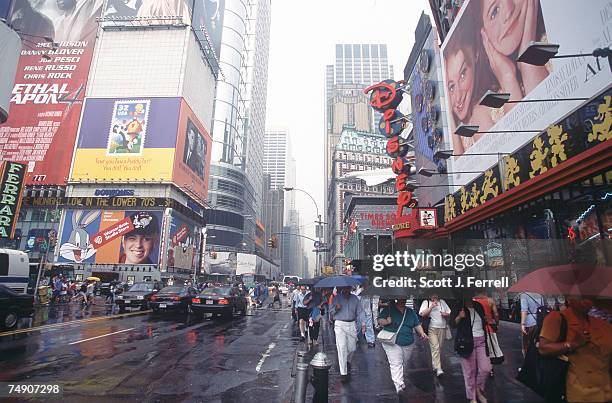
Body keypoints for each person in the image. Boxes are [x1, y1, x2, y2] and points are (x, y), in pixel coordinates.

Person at [539, 298, 612, 402]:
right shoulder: (556, 318)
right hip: (577, 393)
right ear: (569, 298)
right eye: (581, 296)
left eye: (589, 295)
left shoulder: (603, 325)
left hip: (605, 392)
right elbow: (543, 348)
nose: (586, 300)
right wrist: (572, 344)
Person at [479, 0, 549, 102]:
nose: (508, 12)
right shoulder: (490, 107)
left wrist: (528, 58)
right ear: (484, 36)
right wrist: (507, 79)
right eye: (494, 11)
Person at [378, 298, 428, 395]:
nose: (403, 300)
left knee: (404, 362)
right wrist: (387, 322)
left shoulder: (410, 311)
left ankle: (400, 380)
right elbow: (380, 320)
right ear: (397, 298)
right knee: (396, 363)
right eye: (401, 298)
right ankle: (399, 386)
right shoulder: (389, 309)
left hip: (408, 342)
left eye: (404, 298)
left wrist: (422, 333)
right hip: (392, 342)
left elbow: (417, 324)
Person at [455, 293, 492, 403]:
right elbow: (452, 323)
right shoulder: (459, 306)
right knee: (469, 372)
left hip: (481, 341)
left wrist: (486, 319)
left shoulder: (478, 305)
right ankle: (472, 397)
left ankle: (478, 389)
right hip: (466, 343)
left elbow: (483, 322)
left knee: (486, 368)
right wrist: (459, 317)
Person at [329, 286, 366, 383]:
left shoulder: (355, 299)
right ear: (341, 289)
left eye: (347, 288)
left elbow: (360, 312)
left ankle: (347, 361)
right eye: (344, 288)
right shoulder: (337, 298)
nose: (346, 290)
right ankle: (343, 373)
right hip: (339, 323)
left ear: (350, 288)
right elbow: (331, 311)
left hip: (351, 324)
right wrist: (336, 309)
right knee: (341, 347)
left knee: (352, 347)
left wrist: (363, 323)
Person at [419, 293, 452, 376]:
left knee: (439, 347)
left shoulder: (442, 302)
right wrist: (431, 307)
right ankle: (439, 368)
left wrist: (445, 314)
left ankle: (435, 363)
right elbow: (422, 314)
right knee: (435, 347)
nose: (435, 296)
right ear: (429, 296)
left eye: (436, 295)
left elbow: (448, 312)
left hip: (442, 327)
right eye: (432, 295)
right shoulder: (426, 302)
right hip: (431, 328)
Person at [473, 292, 501, 376]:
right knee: (490, 350)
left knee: (478, 349)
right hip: (489, 328)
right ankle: (490, 369)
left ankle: (479, 368)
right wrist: (497, 324)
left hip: (477, 329)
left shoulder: (473, 300)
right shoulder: (490, 301)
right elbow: (496, 314)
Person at [519, 292, 545, 356]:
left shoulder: (524, 295)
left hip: (529, 322)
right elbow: (542, 308)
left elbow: (524, 310)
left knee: (527, 344)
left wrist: (522, 324)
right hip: (539, 321)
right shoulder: (540, 295)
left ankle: (528, 361)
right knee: (537, 342)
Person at [354, 283, 376, 348]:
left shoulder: (369, 292)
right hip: (360, 312)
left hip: (368, 311)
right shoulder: (359, 292)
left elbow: (372, 301)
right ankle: (355, 338)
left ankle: (371, 341)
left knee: (369, 326)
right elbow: (356, 302)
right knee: (358, 327)